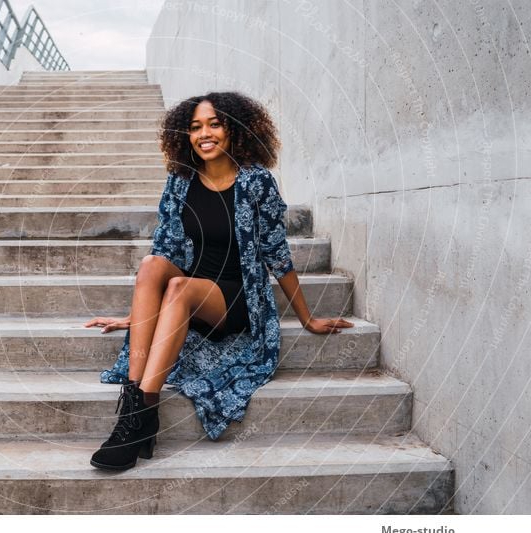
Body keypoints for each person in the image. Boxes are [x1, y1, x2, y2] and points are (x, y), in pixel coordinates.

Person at [83, 91, 354, 471]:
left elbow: (277, 254)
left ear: (234, 130)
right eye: (195, 127)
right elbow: (165, 249)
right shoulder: (180, 182)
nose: (204, 133)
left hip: (235, 297)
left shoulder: (256, 182)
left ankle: (142, 409)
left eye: (214, 124)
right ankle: (135, 407)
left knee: (178, 287)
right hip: (189, 289)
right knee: (151, 265)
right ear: (185, 135)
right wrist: (138, 318)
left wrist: (308, 318)